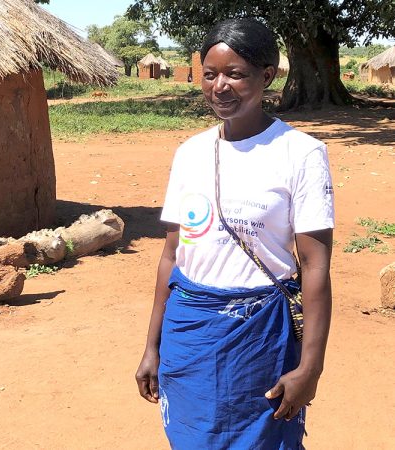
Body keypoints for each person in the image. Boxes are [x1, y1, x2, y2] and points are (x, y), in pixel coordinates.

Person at [135, 17, 334, 450]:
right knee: (191, 438)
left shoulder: (301, 154)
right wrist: (152, 345)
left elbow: (316, 265)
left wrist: (311, 366)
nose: (219, 86)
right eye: (210, 74)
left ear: (267, 76)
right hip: (189, 333)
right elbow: (172, 256)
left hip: (259, 340)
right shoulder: (189, 153)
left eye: (235, 74)